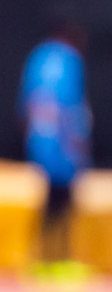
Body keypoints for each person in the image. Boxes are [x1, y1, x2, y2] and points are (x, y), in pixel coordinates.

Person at [19, 15, 92, 265]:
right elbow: (70, 105)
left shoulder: (37, 57)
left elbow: (26, 106)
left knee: (47, 200)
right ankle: (58, 257)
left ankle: (39, 255)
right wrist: (79, 142)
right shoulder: (70, 60)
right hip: (63, 144)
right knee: (63, 202)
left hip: (40, 140)